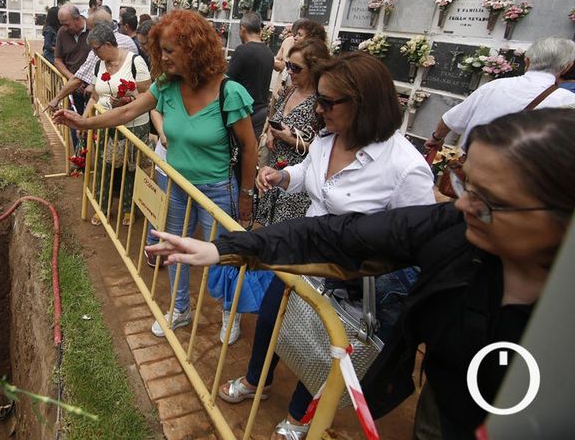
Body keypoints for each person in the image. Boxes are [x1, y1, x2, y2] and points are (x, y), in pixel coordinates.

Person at [147, 108, 574, 440]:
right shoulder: (455, 229)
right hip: (446, 412)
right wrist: (225, 247)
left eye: (488, 201)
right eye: (462, 184)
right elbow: (342, 236)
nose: (462, 206)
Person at [221, 51, 436, 438]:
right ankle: (258, 379)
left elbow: (413, 242)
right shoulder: (330, 136)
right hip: (302, 256)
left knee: (319, 348)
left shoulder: (405, 168)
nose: (317, 110)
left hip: (347, 279)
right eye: (317, 99)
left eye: (326, 102)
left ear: (364, 103)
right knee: (271, 320)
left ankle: (299, 417)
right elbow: (310, 173)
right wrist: (284, 177)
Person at [54, 10, 258, 342]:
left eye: (169, 50)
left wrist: (247, 197)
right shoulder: (166, 86)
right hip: (174, 184)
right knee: (172, 250)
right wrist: (83, 123)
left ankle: (228, 313)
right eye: (159, 50)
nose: (161, 58)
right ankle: (180, 310)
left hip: (217, 192)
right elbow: (128, 111)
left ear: (194, 50)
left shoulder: (229, 93)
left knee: (224, 257)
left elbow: (249, 148)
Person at [424, 37, 575, 149]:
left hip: (471, 172)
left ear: (527, 61)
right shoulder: (568, 102)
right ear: (566, 67)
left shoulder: (494, 86)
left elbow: (450, 119)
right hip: (521, 185)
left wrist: (436, 139)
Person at [255, 38, 331, 226]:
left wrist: (290, 139)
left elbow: (326, 148)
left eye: (296, 68)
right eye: (288, 65)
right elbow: (275, 119)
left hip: (297, 187)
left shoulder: (322, 102)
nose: (289, 70)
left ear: (314, 69)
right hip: (274, 173)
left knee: (285, 238)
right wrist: (273, 132)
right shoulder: (289, 91)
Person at [84, 22, 152, 226]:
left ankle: (128, 209)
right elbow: (95, 96)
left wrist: (126, 101)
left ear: (107, 44)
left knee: (130, 169)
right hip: (107, 123)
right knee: (104, 167)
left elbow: (146, 96)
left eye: (96, 49)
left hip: (133, 124)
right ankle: (101, 207)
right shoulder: (99, 65)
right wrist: (86, 120)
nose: (94, 54)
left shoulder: (135, 61)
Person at [45, 10, 137, 112]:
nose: (89, 34)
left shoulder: (100, 48)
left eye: (91, 30)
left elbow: (78, 79)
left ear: (98, 29)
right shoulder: (128, 41)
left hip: (111, 108)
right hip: (130, 107)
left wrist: (56, 99)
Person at [227, 12, 275, 139]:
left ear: (243, 28)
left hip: (243, 112)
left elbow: (227, 81)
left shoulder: (242, 51)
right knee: (252, 150)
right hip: (261, 111)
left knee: (237, 153)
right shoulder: (268, 52)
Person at [53, 4, 92, 149]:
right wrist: (72, 78)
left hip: (91, 87)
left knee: (91, 121)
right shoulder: (62, 33)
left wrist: (88, 81)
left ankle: (90, 157)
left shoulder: (92, 29)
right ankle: (79, 155)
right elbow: (58, 60)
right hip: (73, 87)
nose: (64, 27)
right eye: (62, 24)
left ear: (77, 19)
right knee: (73, 120)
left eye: (67, 24)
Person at [270, 19, 327, 99]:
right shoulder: (288, 42)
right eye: (289, 65)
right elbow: (278, 59)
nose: (295, 37)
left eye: (296, 67)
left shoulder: (313, 95)